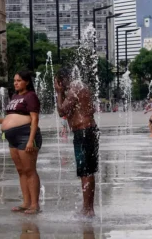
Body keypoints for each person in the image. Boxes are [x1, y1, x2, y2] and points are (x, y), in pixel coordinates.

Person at [0, 70, 42, 214]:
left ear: (27, 82)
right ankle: (26, 202)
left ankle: (35, 205)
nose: (15, 83)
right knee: (21, 171)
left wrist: (30, 140)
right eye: (14, 80)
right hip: (12, 139)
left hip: (26, 136)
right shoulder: (15, 96)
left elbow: (34, 119)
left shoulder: (31, 96)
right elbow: (11, 117)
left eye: (18, 80)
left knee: (30, 170)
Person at [55, 66, 99, 218]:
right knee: (87, 171)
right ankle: (88, 208)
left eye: (58, 83)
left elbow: (61, 111)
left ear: (62, 80)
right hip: (88, 131)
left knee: (85, 171)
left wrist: (59, 92)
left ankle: (88, 209)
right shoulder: (81, 87)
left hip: (84, 132)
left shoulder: (74, 88)